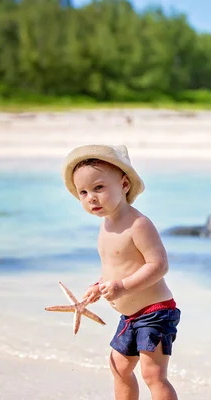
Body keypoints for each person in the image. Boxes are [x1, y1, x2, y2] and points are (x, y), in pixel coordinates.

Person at [62, 144, 180, 400]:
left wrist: (123, 287)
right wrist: (99, 285)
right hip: (129, 316)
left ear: (124, 185)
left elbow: (159, 265)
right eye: (83, 192)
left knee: (153, 375)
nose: (90, 197)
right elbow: (114, 268)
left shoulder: (139, 224)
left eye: (99, 187)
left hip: (155, 312)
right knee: (119, 368)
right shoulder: (105, 227)